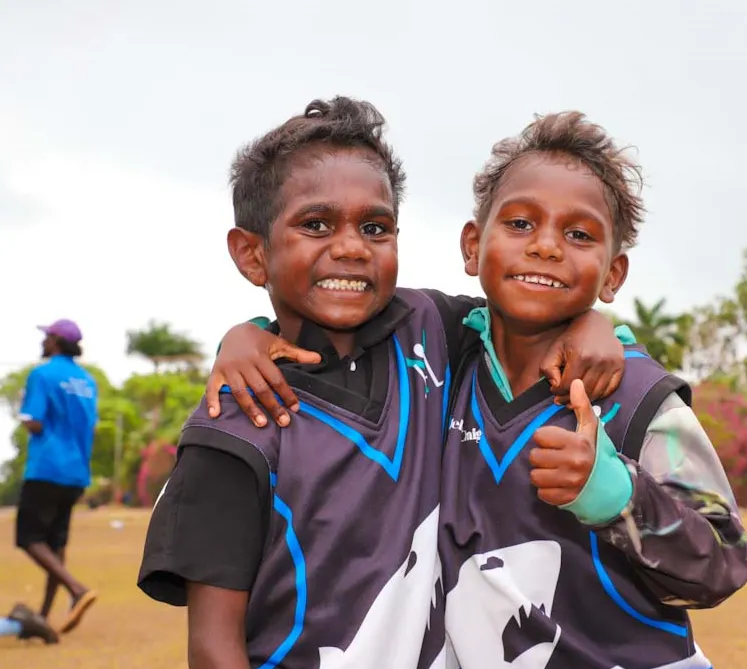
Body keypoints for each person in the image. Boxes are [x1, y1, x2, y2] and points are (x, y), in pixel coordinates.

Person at [212, 111, 747, 668]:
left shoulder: (633, 395)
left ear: (613, 273)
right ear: (473, 246)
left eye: (578, 234)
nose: (545, 247)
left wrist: (618, 497)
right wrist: (249, 335)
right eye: (520, 224)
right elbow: (330, 312)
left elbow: (724, 565)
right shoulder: (440, 361)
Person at [137, 96, 624, 669]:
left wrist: (597, 323)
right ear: (252, 255)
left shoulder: (434, 331)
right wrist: (241, 336)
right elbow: (214, 646)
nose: (350, 247)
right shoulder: (238, 425)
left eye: (375, 227)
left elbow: (533, 303)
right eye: (315, 225)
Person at [16, 319, 99, 634]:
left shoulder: (43, 373)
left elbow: (34, 422)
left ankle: (77, 589)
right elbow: (89, 425)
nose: (43, 342)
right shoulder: (87, 381)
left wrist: (25, 412)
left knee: (29, 538)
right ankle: (43, 618)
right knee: (55, 543)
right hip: (77, 471)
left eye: (47, 337)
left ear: (55, 342)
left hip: (47, 467)